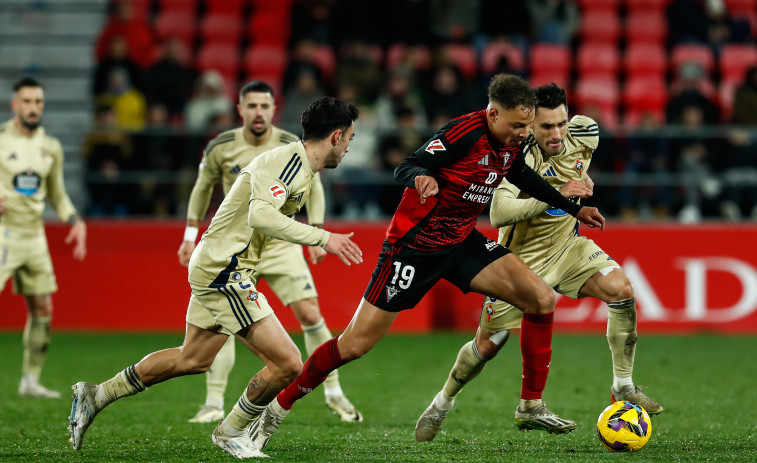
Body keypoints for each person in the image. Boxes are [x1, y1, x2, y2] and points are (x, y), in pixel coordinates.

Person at [248, 74, 606, 452]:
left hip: (460, 242)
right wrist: (421, 178)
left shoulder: (511, 143)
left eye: (526, 124)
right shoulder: (463, 133)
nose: (523, 132)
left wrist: (575, 208)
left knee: (540, 299)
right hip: (414, 247)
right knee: (353, 345)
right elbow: (406, 165)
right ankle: (276, 408)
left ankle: (530, 404)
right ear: (493, 113)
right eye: (518, 125)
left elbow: (524, 178)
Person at [68, 97, 363, 459]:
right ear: (336, 136)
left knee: (192, 359)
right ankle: (231, 431)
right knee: (287, 363)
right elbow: (261, 217)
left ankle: (96, 395)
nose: (350, 147)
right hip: (225, 271)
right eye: (350, 138)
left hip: (219, 264)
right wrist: (323, 237)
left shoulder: (297, 165)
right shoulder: (288, 163)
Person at [413, 83, 663, 443]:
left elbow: (580, 166)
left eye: (561, 123)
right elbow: (499, 213)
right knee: (487, 346)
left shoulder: (586, 133)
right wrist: (557, 197)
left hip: (567, 246)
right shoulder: (517, 154)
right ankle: (441, 402)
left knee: (621, 290)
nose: (557, 134)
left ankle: (623, 387)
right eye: (547, 127)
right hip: (520, 260)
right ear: (530, 126)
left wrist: (580, 182)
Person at [177, 81, 362, 423]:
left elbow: (314, 188)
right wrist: (190, 234)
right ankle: (215, 404)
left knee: (308, 313)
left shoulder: (296, 147)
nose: (258, 112)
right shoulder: (222, 146)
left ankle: (334, 391)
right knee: (227, 323)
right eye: (252, 106)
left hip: (279, 243)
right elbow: (203, 189)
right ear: (240, 109)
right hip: (236, 248)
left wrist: (318, 230)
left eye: (265, 106)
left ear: (273, 109)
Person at [0, 77, 87, 398]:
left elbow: (58, 194)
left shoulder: (50, 147)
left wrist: (75, 220)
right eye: (27, 101)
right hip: (3, 233)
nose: (33, 108)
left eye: (38, 102)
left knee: (42, 308)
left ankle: (30, 381)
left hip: (34, 236)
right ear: (15, 105)